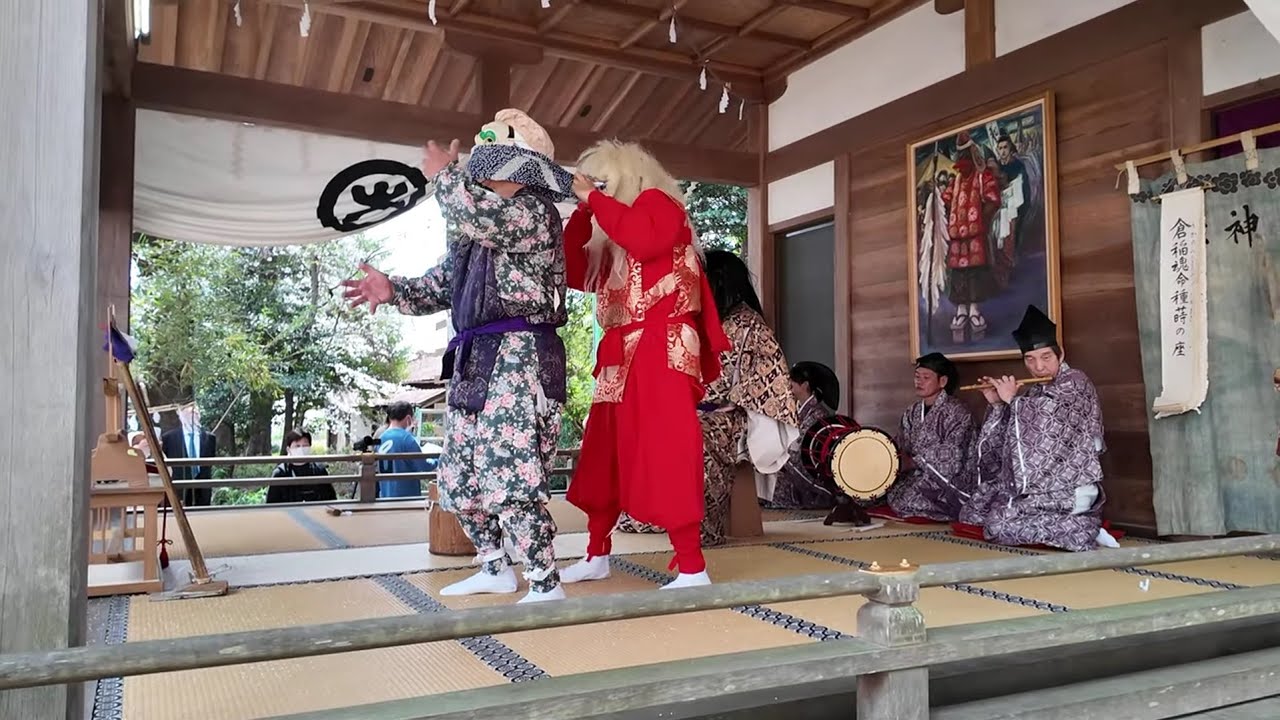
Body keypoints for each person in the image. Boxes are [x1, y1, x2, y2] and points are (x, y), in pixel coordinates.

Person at [341, 108, 572, 604]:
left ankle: (544, 580)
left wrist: (443, 177)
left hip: (521, 353)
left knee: (510, 469)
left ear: (516, 167)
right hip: (474, 356)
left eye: (490, 162)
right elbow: (439, 284)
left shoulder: (533, 213)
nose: (480, 170)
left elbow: (473, 212)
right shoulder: (476, 231)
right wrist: (392, 288)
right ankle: (493, 564)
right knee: (459, 474)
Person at [555, 140, 730, 590]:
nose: (594, 191)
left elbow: (646, 239)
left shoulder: (660, 206)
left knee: (666, 449)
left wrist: (593, 200)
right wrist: (581, 214)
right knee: (603, 454)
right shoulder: (612, 227)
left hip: (662, 344)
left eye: (602, 183)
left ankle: (692, 566)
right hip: (619, 351)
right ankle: (596, 552)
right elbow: (574, 273)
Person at [613, 250, 797, 549]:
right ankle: (648, 514)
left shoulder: (750, 325)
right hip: (686, 408)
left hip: (725, 416)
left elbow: (766, 384)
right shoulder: (695, 319)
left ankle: (696, 521)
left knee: (690, 436)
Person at [959, 305, 1120, 551]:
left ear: (1060, 354)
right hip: (1037, 482)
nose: (1039, 367)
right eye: (1030, 360)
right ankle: (1064, 524)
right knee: (973, 511)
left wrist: (1014, 400)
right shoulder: (1036, 390)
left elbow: (1048, 419)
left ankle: (1084, 527)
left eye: (1046, 357)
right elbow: (1009, 443)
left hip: (1068, 484)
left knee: (997, 526)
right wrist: (998, 405)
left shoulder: (1075, 382)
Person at [882, 352, 975, 521]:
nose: (919, 381)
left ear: (943, 381)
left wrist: (914, 462)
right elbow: (902, 442)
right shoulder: (912, 412)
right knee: (881, 491)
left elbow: (955, 454)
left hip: (945, 478)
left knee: (909, 499)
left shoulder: (957, 412)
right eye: (917, 376)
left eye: (926, 377)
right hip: (915, 474)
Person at [769, 362, 841, 510]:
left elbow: (803, 450)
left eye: (792, 383)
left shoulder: (817, 415)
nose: (789, 387)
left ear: (805, 385)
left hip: (810, 469)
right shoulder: (798, 409)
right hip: (795, 461)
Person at [160, 401, 215, 506]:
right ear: (182, 416)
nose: (195, 416)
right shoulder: (169, 438)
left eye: (197, 413)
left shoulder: (209, 438)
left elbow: (210, 461)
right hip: (179, 487)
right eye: (191, 413)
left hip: (202, 488)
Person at [375, 403, 431, 499]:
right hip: (407, 497)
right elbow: (423, 466)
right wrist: (437, 460)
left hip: (385, 495)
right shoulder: (407, 438)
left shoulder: (380, 438)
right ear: (408, 418)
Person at [267, 428, 337, 504]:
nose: (301, 449)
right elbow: (271, 505)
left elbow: (331, 499)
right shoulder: (280, 473)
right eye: (297, 446)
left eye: (305, 446)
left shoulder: (319, 470)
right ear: (288, 449)